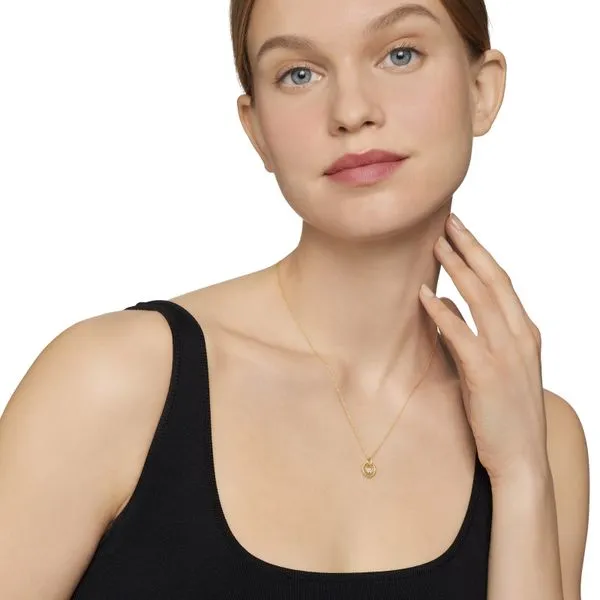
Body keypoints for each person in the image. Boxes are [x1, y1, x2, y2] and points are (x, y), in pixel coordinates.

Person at [0, 1, 587, 598]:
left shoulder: (544, 438)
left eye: (400, 55)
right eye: (298, 74)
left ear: (482, 90)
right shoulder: (112, 382)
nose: (352, 112)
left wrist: (522, 473)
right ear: (256, 128)